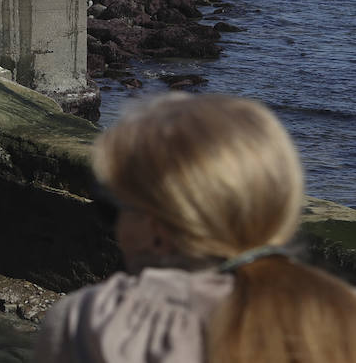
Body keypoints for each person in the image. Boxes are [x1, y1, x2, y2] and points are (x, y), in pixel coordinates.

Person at [35, 93, 356, 363]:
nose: (116, 228)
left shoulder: (88, 322)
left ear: (157, 230)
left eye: (111, 209)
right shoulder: (341, 312)